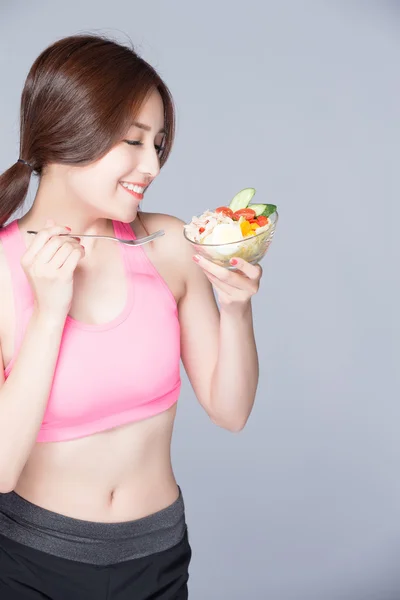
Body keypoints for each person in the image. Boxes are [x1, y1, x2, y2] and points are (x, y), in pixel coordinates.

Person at [0, 33, 262, 599]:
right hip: (29, 563)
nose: (152, 166)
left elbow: (231, 410)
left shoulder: (166, 243)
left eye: (159, 144)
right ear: (67, 132)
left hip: (159, 559)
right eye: (133, 142)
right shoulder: (1, 268)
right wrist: (48, 314)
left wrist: (237, 309)